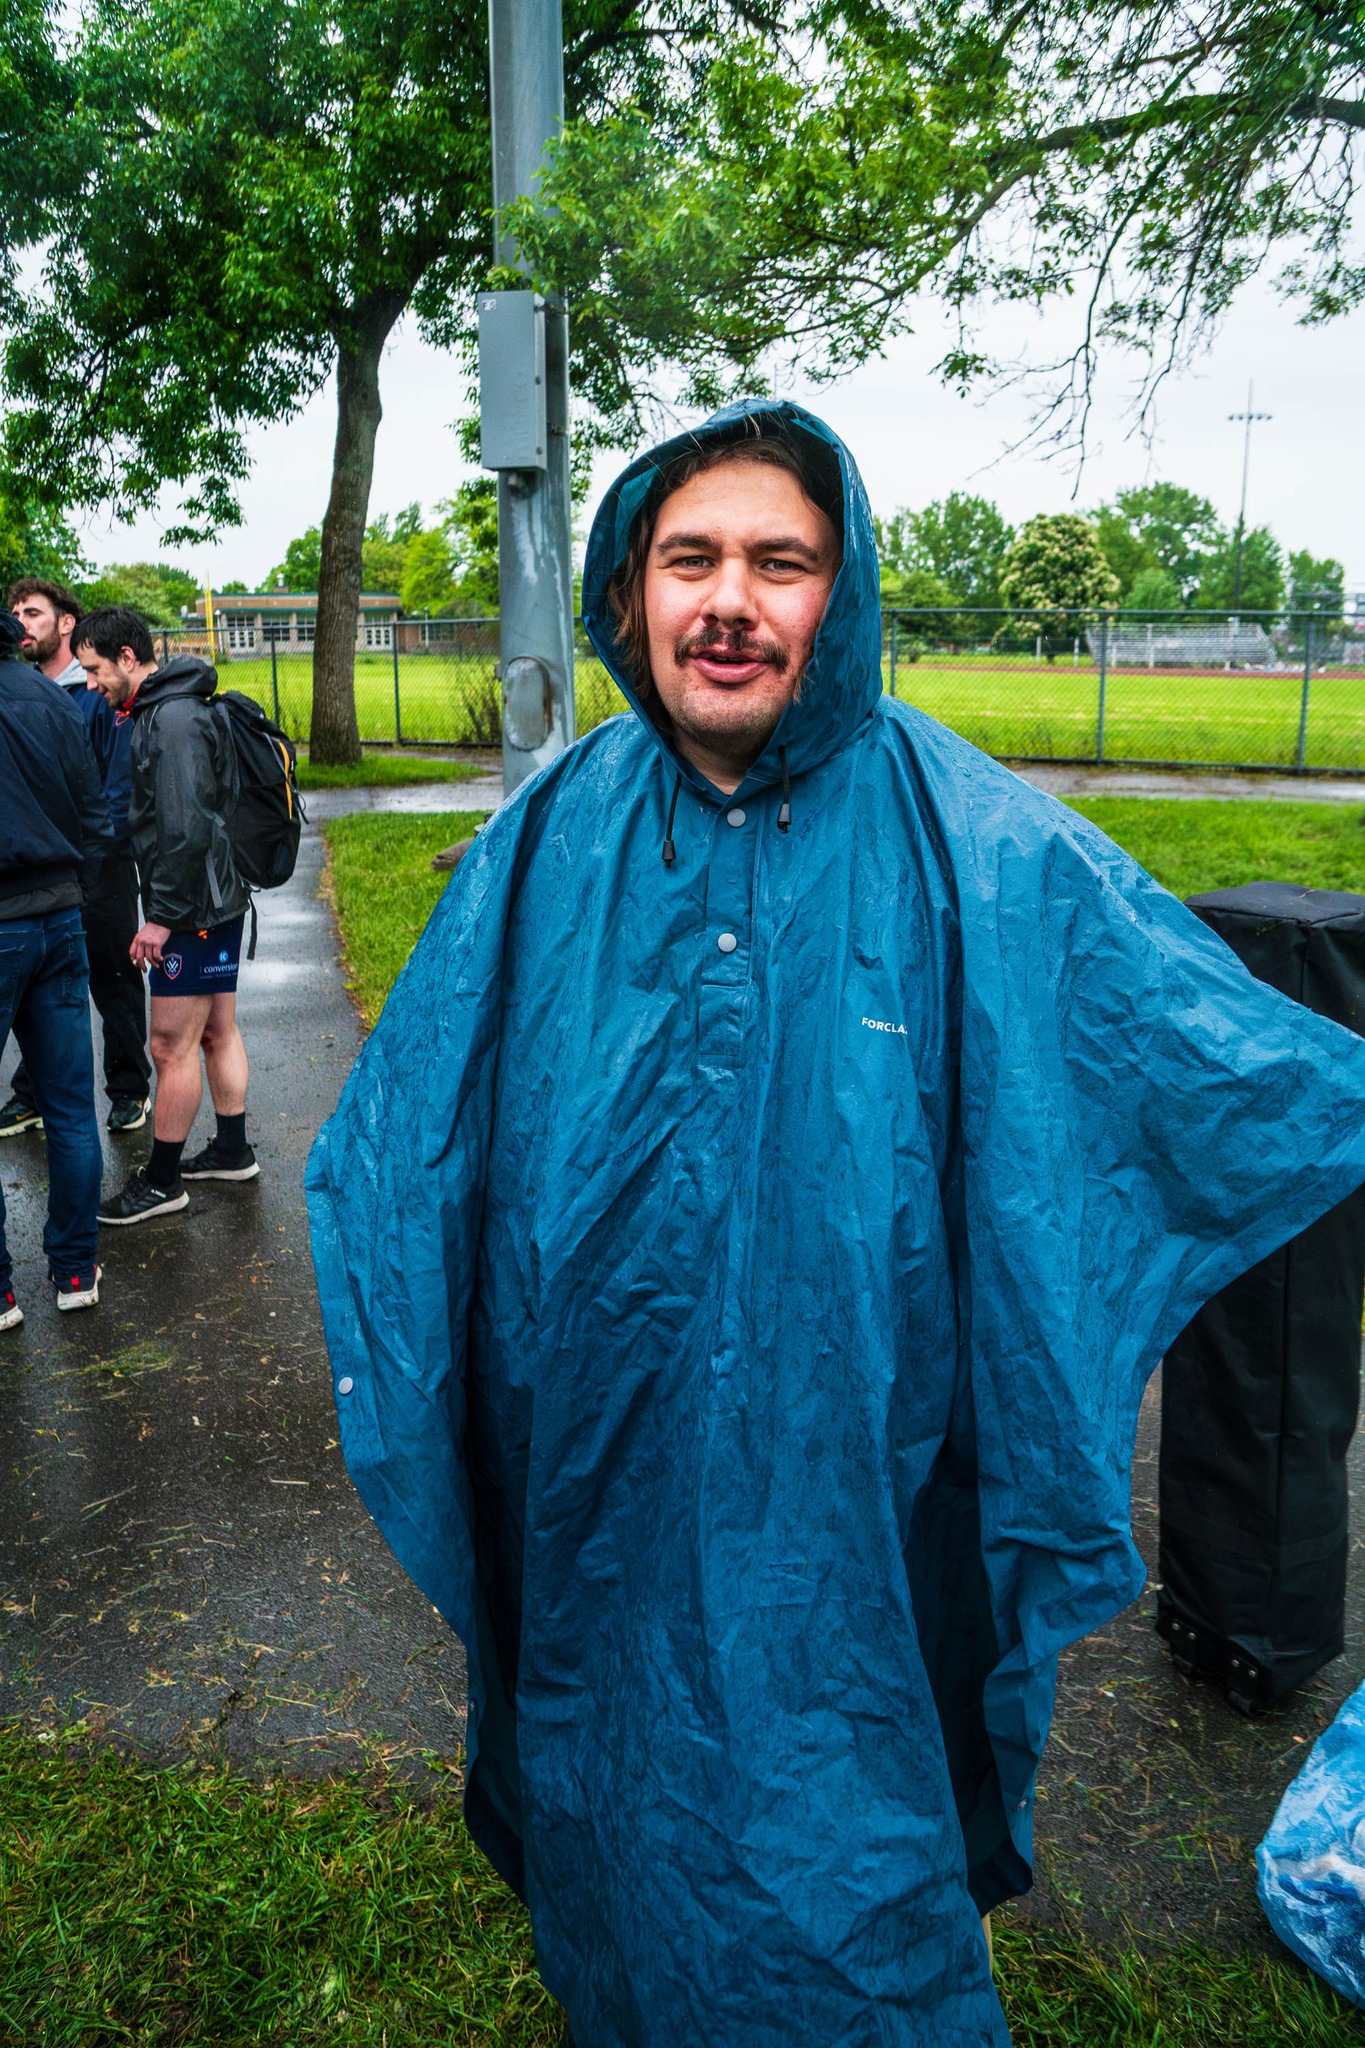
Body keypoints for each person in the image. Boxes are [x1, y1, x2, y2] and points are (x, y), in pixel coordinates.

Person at [305, 402, 1365, 2047]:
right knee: (622, 1816)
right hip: (604, 1481)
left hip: (868, 1493)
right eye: (690, 557)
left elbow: (1196, 1052)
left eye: (778, 561)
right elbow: (406, 1156)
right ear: (632, 590)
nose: (728, 600)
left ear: (839, 593)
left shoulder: (970, 837)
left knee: (856, 1849)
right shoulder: (552, 837)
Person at [70, 607, 260, 1225]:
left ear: (128, 657)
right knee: (215, 1031)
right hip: (216, 900)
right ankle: (231, 1150)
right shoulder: (174, 705)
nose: (91, 683)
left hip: (193, 910)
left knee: (169, 1045)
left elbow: (183, 829)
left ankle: (161, 1181)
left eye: (95, 670)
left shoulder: (170, 719)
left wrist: (162, 919)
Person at [2, 579, 152, 1137]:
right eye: (15, 612)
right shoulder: (18, 693)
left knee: (112, 980)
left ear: (66, 623)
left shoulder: (97, 693)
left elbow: (115, 790)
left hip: (101, 866)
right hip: (45, 875)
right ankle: (31, 1093)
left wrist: (92, 860)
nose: (21, 622)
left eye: (33, 612)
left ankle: (129, 1091)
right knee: (39, 994)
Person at [0, 606, 111, 1325]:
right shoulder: (53, 696)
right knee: (72, 1109)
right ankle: (75, 1272)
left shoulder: (49, 697)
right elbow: (95, 812)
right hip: (60, 917)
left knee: (68, 1108)